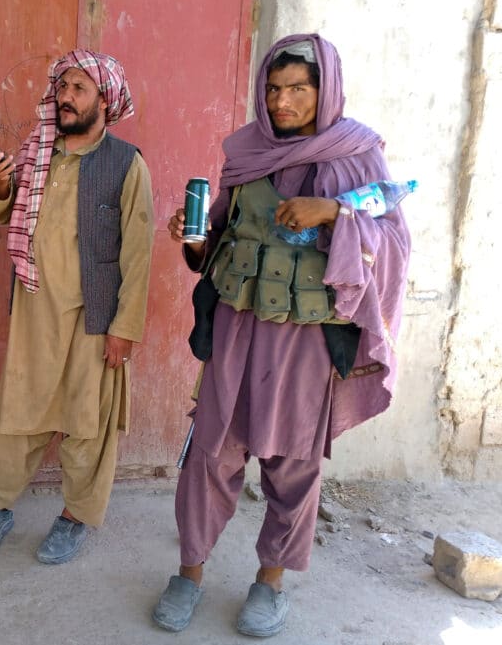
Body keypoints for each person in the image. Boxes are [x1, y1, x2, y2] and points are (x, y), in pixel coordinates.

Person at [154, 34, 411, 637]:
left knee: (293, 463)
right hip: (239, 327)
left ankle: (270, 582)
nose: (282, 101)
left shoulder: (359, 155)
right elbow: (220, 232)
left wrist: (336, 214)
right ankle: (189, 572)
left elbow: (395, 246)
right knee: (211, 452)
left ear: (326, 91)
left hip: (306, 338)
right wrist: (192, 240)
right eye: (274, 89)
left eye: (298, 88)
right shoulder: (245, 150)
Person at [0, 49, 155, 565]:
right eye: (63, 87)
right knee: (18, 411)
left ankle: (76, 517)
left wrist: (125, 329)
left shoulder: (126, 164)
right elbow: (6, 207)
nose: (66, 97)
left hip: (94, 319)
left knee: (84, 421)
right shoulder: (38, 152)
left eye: (79, 89)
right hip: (33, 310)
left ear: (104, 101)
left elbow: (139, 253)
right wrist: (1, 178)